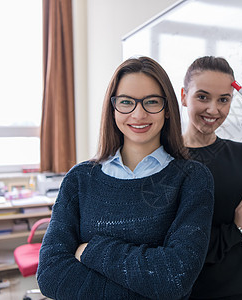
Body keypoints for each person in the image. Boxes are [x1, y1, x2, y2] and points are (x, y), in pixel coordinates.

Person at [37, 56, 215, 300]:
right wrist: (148, 284)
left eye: (151, 102)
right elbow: (50, 275)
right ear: (113, 109)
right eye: (126, 102)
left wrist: (91, 250)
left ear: (168, 110)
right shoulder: (79, 179)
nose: (138, 113)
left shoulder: (193, 179)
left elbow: (175, 278)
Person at [181, 56, 242, 300]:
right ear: (184, 96)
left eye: (223, 100)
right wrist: (236, 231)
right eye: (202, 97)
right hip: (189, 293)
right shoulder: (165, 161)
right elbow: (182, 245)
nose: (213, 109)